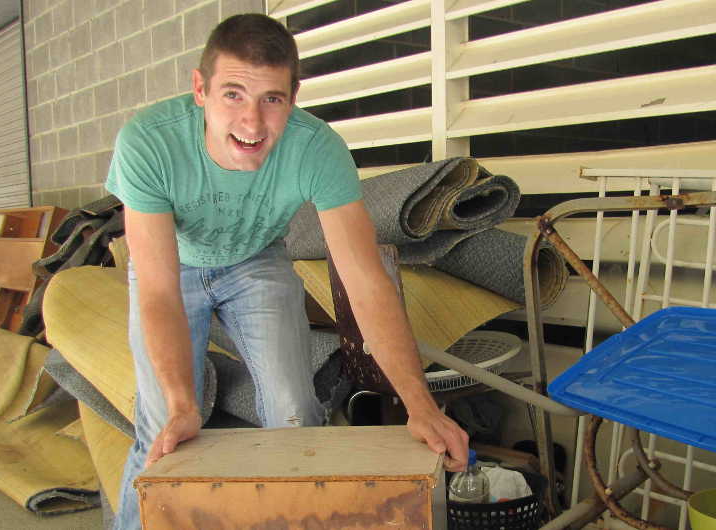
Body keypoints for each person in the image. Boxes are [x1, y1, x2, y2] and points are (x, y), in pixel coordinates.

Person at [104, 13, 469, 529]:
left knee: (295, 411)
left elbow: (366, 282)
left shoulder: (317, 149)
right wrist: (185, 404)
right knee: (162, 425)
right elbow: (159, 291)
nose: (252, 124)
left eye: (271, 99)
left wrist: (420, 403)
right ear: (199, 89)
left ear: (293, 96)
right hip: (175, 267)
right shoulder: (148, 142)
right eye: (232, 94)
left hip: (255, 260)